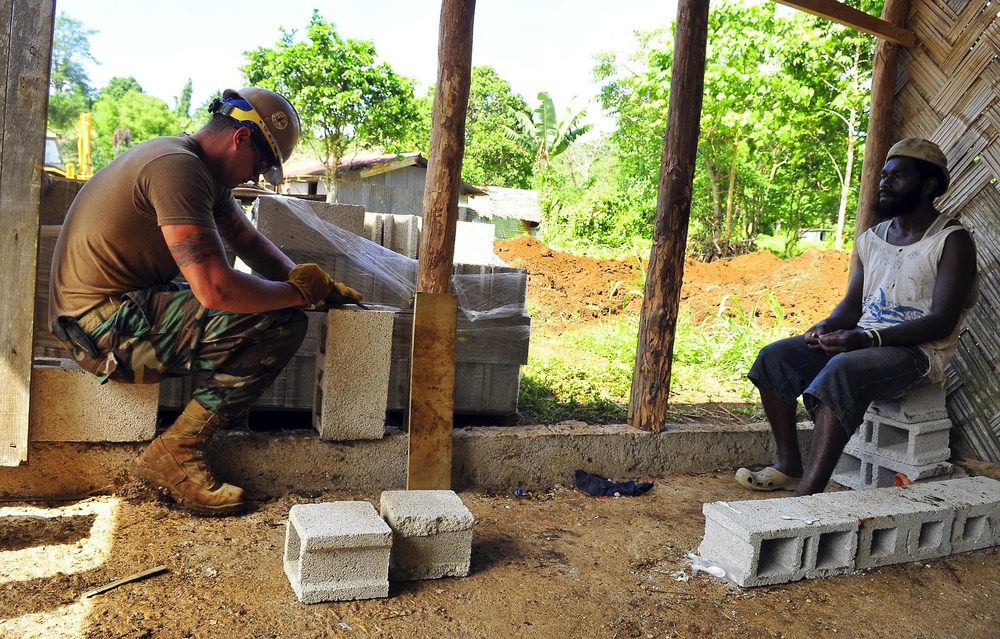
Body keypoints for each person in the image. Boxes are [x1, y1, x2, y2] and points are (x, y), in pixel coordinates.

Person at [48, 87, 361, 516]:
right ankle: (177, 450)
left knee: (278, 308)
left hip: (116, 313)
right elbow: (215, 288)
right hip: (103, 332)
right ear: (241, 139)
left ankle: (177, 447)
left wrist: (307, 283)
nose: (256, 177)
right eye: (262, 164)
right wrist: (297, 295)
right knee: (282, 322)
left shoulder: (194, 169)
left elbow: (247, 240)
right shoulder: (177, 169)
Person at [735, 138, 979, 497]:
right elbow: (852, 307)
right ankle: (789, 466)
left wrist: (868, 339)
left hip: (919, 354)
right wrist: (827, 327)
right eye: (884, 175)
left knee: (842, 370)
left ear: (927, 186)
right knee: (776, 358)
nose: (884, 183)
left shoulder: (950, 240)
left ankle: (808, 494)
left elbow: (942, 321)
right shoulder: (873, 238)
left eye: (898, 177)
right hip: (867, 341)